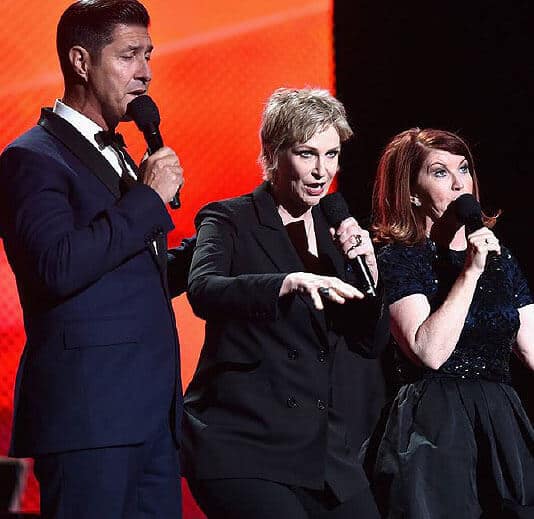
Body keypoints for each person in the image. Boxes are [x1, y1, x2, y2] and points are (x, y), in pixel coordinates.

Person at [0, 1, 193, 517]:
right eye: (129, 55)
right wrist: (148, 200)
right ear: (81, 62)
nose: (145, 72)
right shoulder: (31, 159)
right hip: (90, 420)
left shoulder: (122, 153)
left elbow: (121, 272)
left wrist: (215, 248)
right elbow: (56, 266)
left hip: (152, 417)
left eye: (148, 55)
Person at [181, 87, 388, 518]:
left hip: (321, 451)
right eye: (307, 154)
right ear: (273, 154)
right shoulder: (230, 218)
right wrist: (286, 283)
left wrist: (370, 274)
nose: (321, 171)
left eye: (331, 155)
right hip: (243, 439)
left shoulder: (337, 238)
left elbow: (369, 343)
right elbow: (203, 289)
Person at [364, 128, 534, 518]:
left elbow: (530, 346)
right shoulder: (398, 258)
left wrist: (484, 263)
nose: (460, 184)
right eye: (440, 173)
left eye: (464, 169)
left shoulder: (499, 258)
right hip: (434, 427)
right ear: (411, 191)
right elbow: (429, 351)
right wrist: (470, 273)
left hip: (500, 421)